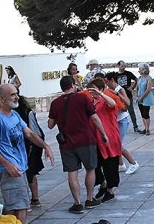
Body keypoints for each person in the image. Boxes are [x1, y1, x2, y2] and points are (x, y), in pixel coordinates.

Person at [0, 84, 54, 224]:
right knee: (19, 206)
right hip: (9, 170)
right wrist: (8, 165)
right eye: (12, 94)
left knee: (17, 205)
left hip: (20, 167)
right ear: (2, 98)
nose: (17, 97)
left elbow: (28, 133)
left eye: (16, 93)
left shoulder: (14, 114)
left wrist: (45, 146)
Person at [48, 75, 109, 213]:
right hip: (86, 140)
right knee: (90, 169)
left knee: (72, 173)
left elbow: (50, 125)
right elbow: (94, 117)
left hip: (67, 144)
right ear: (73, 85)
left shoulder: (55, 103)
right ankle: (89, 199)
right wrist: (103, 134)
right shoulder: (82, 98)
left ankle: (77, 203)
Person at [86, 78, 122, 203]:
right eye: (90, 89)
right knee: (94, 165)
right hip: (96, 138)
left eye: (94, 89)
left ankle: (110, 190)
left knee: (110, 164)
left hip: (109, 138)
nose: (92, 92)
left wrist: (101, 94)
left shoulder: (105, 99)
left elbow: (113, 104)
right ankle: (103, 184)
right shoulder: (92, 102)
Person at [104, 73, 140, 174]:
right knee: (115, 143)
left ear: (112, 80)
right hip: (115, 120)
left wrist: (116, 94)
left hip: (122, 120)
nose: (106, 83)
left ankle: (133, 163)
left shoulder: (120, 89)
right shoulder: (108, 89)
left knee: (118, 143)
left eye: (107, 81)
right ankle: (121, 165)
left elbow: (128, 103)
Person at [14, 95, 45, 208]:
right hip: (30, 145)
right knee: (31, 172)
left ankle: (30, 199)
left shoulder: (20, 114)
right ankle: (34, 198)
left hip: (29, 145)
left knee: (28, 172)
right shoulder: (25, 113)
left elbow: (32, 132)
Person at [114, 60, 140, 133]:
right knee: (118, 111)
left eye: (124, 66)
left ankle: (135, 126)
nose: (123, 67)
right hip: (119, 96)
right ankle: (117, 127)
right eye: (122, 66)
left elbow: (136, 79)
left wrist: (132, 87)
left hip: (128, 95)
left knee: (131, 111)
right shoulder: (115, 75)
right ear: (118, 66)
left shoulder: (128, 73)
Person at [136, 63, 154, 135]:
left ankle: (147, 129)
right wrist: (137, 96)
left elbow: (148, 90)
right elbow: (137, 87)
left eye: (140, 69)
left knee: (146, 113)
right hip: (140, 98)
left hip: (146, 99)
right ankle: (145, 128)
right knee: (142, 114)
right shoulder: (139, 78)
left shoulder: (149, 78)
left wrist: (142, 97)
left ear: (144, 70)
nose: (139, 70)